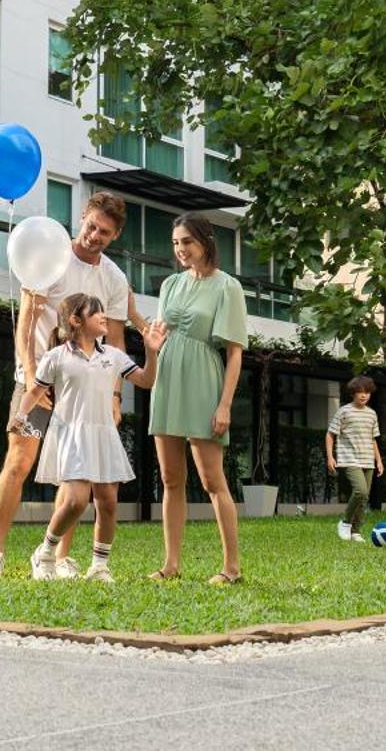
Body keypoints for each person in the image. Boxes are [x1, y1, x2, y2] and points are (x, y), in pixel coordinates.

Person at [0, 191, 142, 581]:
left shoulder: (114, 279)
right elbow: (24, 326)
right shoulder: (49, 255)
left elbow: (116, 342)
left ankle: (59, 557)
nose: (94, 236)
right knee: (18, 462)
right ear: (82, 217)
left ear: (115, 235)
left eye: (104, 232)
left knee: (76, 474)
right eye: (90, 226)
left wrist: (116, 394)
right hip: (37, 381)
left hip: (85, 389)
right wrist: (35, 375)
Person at [19, 294, 167, 582]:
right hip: (70, 434)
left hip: (103, 435)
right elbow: (36, 391)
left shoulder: (113, 356)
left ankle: (99, 566)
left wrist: (151, 351)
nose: (103, 317)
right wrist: (20, 417)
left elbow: (147, 381)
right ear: (76, 320)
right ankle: (45, 552)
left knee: (108, 502)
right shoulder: (56, 356)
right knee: (75, 501)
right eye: (96, 313)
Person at [146, 213, 247, 584]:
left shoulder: (227, 287)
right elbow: (160, 333)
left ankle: (231, 568)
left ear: (206, 241)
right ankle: (171, 565)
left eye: (186, 241)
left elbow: (235, 353)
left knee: (212, 481)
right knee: (171, 479)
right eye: (175, 243)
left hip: (204, 380)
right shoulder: (170, 284)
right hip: (167, 381)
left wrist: (224, 405)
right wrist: (151, 350)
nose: (180, 250)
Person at [326, 376, 384, 543]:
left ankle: (355, 531)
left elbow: (373, 439)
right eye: (360, 392)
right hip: (349, 459)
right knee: (360, 491)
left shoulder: (372, 414)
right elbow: (330, 434)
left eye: (366, 392)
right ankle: (345, 523)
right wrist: (330, 457)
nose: (363, 395)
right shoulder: (344, 411)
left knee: (364, 498)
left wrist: (378, 461)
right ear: (353, 393)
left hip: (368, 461)